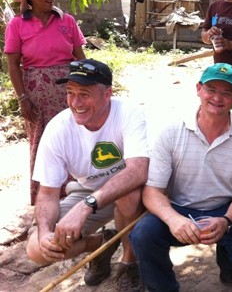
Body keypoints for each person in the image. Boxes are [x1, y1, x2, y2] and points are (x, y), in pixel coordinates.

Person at [129, 63, 232, 290]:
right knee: (142, 236)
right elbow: (152, 190)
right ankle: (162, 287)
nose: (217, 97)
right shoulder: (171, 131)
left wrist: (225, 221)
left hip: (224, 207)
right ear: (198, 89)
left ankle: (227, 261)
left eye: (226, 92)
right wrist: (174, 219)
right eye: (211, 89)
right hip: (178, 207)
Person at [25, 59, 149, 291]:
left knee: (128, 196)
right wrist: (44, 233)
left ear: (107, 94)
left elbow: (137, 170)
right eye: (70, 93)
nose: (75, 102)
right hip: (88, 191)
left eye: (84, 93)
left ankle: (129, 263)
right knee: (37, 250)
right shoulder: (58, 128)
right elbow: (48, 193)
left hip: (131, 191)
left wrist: (85, 207)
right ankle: (100, 244)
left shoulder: (128, 113)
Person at [4, 0, 87, 205]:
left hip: (70, 90)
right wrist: (22, 99)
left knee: (73, 137)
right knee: (41, 142)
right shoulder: (17, 25)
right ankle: (44, 198)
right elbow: (13, 65)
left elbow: (80, 57)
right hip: (36, 91)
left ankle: (74, 194)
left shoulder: (67, 21)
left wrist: (89, 89)